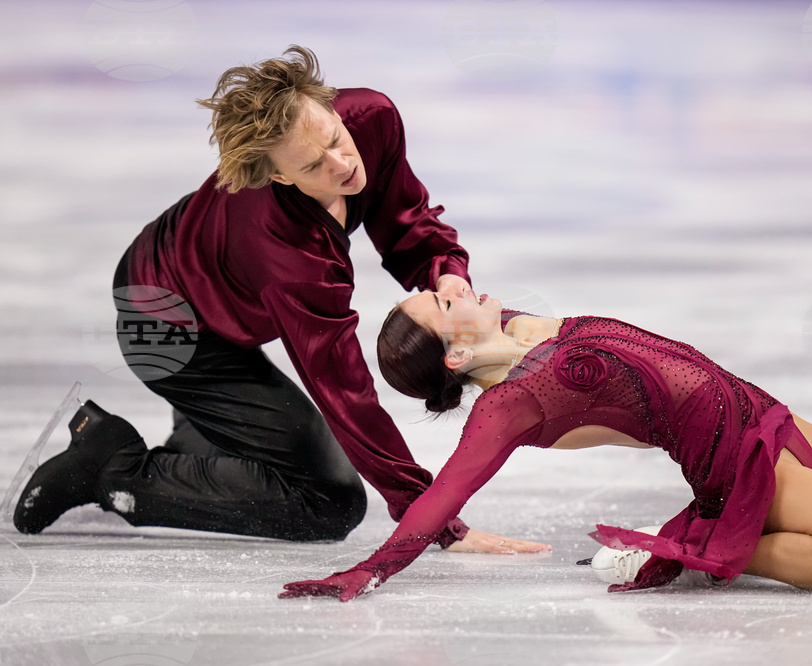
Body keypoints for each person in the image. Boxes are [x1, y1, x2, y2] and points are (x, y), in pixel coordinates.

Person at [12, 46, 547, 555]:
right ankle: (109, 466)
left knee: (273, 456)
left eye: (337, 137)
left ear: (329, 105)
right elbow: (343, 389)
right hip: (166, 329)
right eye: (314, 167)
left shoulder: (372, 118)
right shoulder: (287, 250)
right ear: (277, 175)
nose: (342, 164)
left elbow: (405, 222)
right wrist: (434, 519)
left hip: (207, 287)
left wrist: (445, 273)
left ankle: (199, 443)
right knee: (329, 501)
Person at [279, 287, 812, 600]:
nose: (449, 286)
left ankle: (719, 541)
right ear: (456, 357)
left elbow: (442, 256)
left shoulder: (518, 325)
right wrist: (365, 571)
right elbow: (443, 494)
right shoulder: (511, 406)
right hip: (743, 466)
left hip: (784, 424)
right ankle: (685, 549)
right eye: (439, 303)